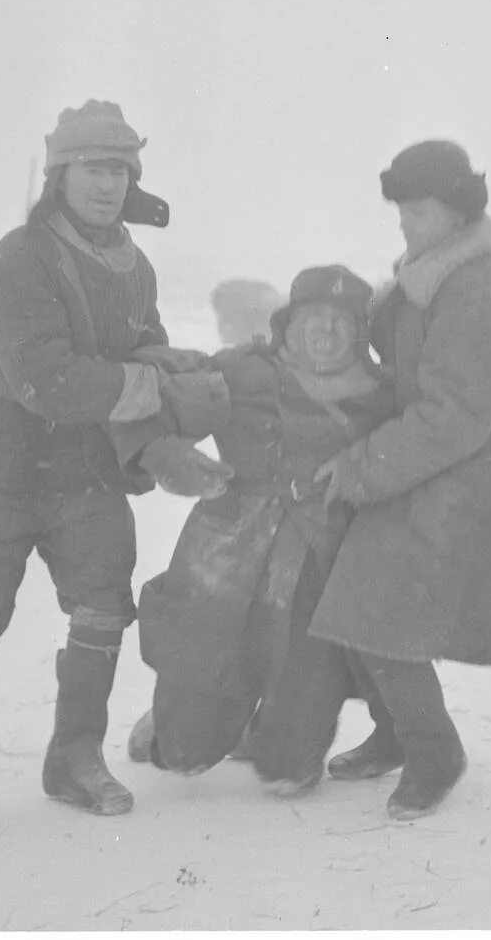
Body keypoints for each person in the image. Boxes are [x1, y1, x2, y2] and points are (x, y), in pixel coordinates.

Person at [0, 99, 228, 846]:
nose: (108, 185)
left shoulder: (136, 267)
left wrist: (159, 445)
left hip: (85, 471)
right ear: (60, 174)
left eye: (120, 169)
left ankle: (75, 758)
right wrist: (151, 386)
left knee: (102, 608)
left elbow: (150, 352)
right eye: (92, 168)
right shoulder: (20, 259)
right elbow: (46, 380)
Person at [309, 140, 491, 821]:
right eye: (401, 213)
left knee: (372, 603)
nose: (404, 225)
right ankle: (395, 734)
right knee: (367, 600)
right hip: (434, 461)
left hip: (469, 475)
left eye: (415, 212)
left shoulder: (475, 287)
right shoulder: (432, 272)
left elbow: (453, 416)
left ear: (455, 210)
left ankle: (433, 752)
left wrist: (361, 467)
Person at [126, 266, 397, 793]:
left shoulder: (381, 396)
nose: (325, 331)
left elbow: (420, 447)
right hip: (225, 556)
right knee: (182, 755)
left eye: (341, 322)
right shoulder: (241, 372)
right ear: (287, 323)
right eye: (313, 317)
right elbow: (155, 408)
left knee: (289, 771)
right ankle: (172, 722)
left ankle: (277, 730)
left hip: (316, 561)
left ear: (361, 335)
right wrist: (167, 453)